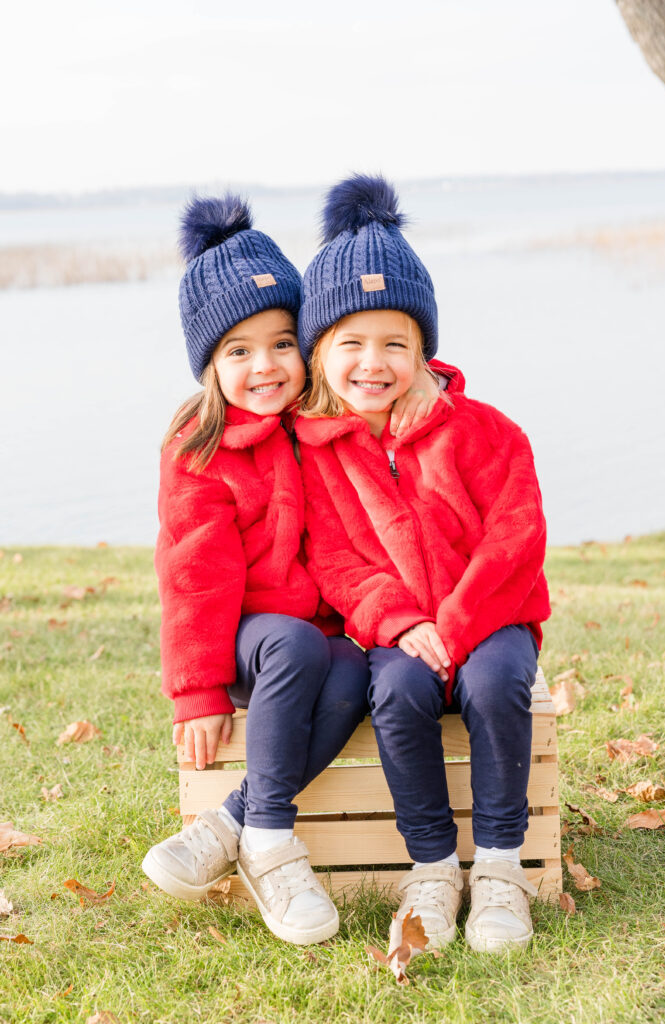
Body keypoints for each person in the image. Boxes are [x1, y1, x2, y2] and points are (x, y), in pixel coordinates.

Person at [142, 192, 444, 946]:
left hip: (322, 642)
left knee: (347, 668)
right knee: (297, 643)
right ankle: (272, 844)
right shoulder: (199, 446)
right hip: (252, 645)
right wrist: (198, 692)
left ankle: (230, 825)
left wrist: (430, 378)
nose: (264, 365)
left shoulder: (322, 422)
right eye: (237, 352)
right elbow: (192, 581)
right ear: (209, 364)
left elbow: (390, 368)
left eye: (281, 343)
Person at [295, 174, 552, 954]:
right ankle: (434, 868)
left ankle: (502, 870)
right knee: (398, 692)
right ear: (319, 353)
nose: (373, 363)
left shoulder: (483, 431)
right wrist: (401, 622)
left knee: (493, 681)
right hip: (400, 634)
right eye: (352, 344)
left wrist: (460, 622)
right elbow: (333, 558)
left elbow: (515, 536)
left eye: (396, 345)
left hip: (490, 620)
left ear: (424, 353)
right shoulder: (321, 451)